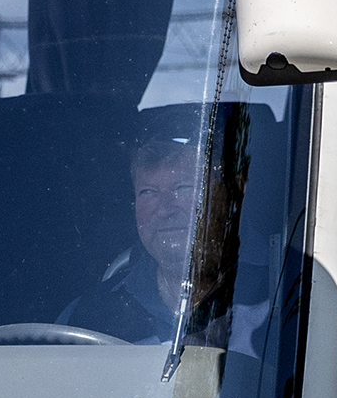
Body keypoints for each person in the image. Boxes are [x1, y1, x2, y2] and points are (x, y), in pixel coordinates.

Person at [59, 105, 266, 355]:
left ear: (230, 196)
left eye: (184, 188)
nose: (165, 209)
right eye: (148, 193)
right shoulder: (88, 316)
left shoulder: (286, 295)